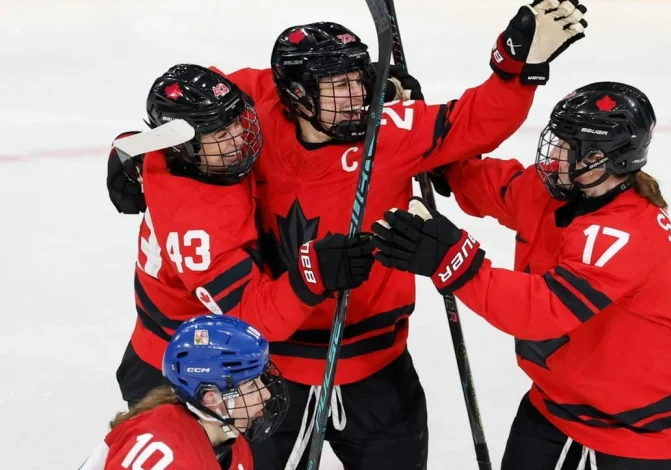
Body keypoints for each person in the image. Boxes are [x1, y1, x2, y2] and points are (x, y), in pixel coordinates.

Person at [106, 3, 590, 467]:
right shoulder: (243, 143)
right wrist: (136, 148)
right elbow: (188, 118)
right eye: (339, 85)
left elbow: (477, 120)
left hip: (376, 365)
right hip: (272, 371)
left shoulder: (381, 128)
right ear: (296, 95)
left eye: (360, 79)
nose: (358, 95)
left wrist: (515, 67)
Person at [371, 82, 671, 470]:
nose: (553, 153)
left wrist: (453, 259)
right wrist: (432, 143)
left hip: (641, 430)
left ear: (601, 158)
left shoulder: (626, 233)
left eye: (568, 146)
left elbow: (543, 310)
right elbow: (491, 185)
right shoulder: (559, 192)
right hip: (557, 405)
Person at [115, 63, 374, 409]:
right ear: (183, 145)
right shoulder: (195, 223)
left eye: (236, 121)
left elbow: (252, 84)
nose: (239, 137)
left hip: (202, 352)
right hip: (178, 371)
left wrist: (337, 84)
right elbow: (254, 317)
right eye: (221, 134)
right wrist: (314, 273)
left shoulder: (192, 142)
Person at [79, 315, 289, 470]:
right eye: (251, 386)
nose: (266, 394)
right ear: (211, 398)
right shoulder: (164, 455)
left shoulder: (234, 446)